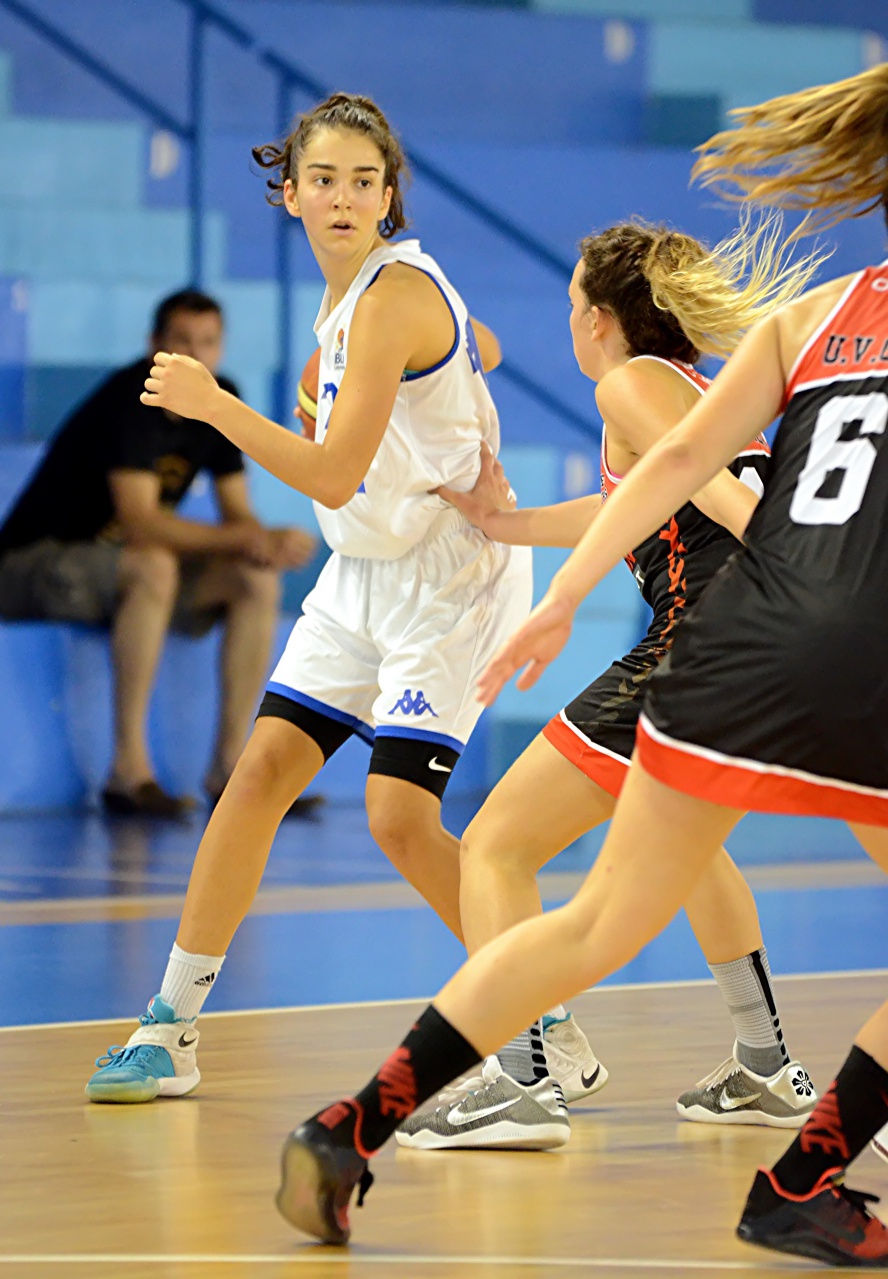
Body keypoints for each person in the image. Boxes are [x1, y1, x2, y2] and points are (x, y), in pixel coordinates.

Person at [277, 64, 888, 1267]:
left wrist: (558, 599)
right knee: (522, 853)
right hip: (853, 644)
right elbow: (695, 482)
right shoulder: (687, 362)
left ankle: (350, 1126)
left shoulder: (814, 317)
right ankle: (801, 1175)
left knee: (599, 911)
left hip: (734, 650)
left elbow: (672, 473)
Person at [83, 93, 533, 1104]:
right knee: (258, 775)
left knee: (399, 818)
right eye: (323, 179)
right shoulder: (355, 311)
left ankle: (535, 1014)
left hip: (449, 576)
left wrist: (216, 405)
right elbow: (485, 346)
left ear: (388, 196)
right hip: (362, 570)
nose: (342, 197)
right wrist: (419, 393)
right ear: (288, 193)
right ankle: (169, 1027)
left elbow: (330, 475)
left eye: (364, 182)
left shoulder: (391, 296)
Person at [395, 219, 819, 1152]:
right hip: (753, 655)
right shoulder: (692, 389)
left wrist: (797, 571)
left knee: (495, 845)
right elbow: (632, 504)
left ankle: (519, 1081)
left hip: (697, 645)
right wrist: (504, 524)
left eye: (572, 302)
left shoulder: (627, 383)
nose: (570, 319)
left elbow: (716, 495)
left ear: (598, 316)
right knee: (689, 852)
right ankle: (763, 1065)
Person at [0, 289, 315, 817]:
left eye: (208, 342)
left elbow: (238, 513)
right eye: (181, 341)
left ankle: (231, 771)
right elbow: (141, 522)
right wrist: (247, 539)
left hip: (117, 571)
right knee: (154, 564)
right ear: (154, 345)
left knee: (254, 580)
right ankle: (128, 771)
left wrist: (267, 542)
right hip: (32, 565)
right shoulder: (132, 398)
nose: (195, 354)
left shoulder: (219, 399)